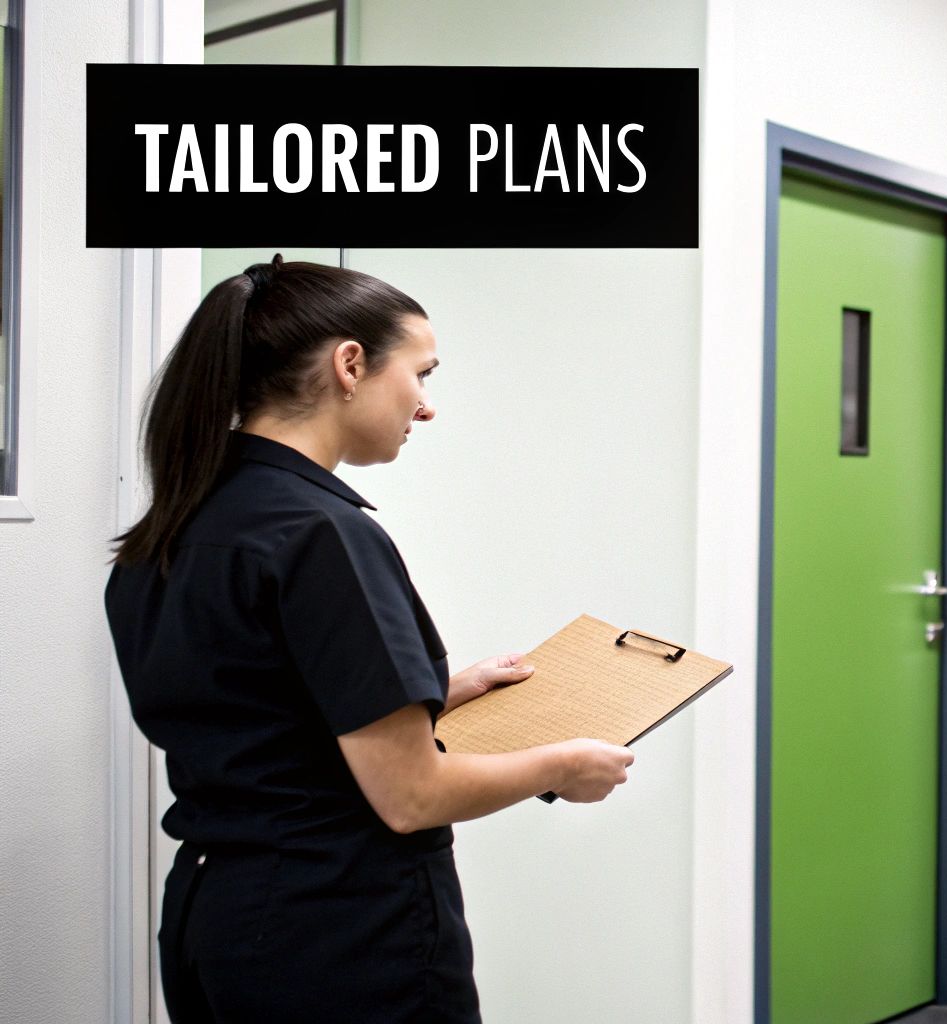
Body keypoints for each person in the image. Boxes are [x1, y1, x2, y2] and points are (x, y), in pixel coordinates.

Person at [104, 255, 635, 1022]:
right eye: (421, 374)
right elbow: (412, 797)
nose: (427, 406)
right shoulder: (322, 534)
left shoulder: (178, 527)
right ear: (350, 364)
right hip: (338, 936)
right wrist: (563, 765)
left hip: (213, 924)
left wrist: (445, 690)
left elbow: (263, 719)